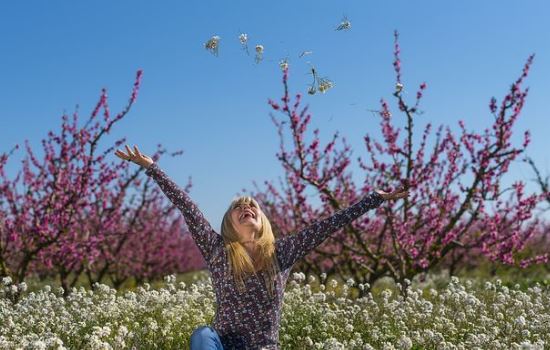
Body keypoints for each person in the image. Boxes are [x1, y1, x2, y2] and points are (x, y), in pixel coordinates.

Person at [115, 144, 408, 350]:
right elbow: (187, 208)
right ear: (229, 222)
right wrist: (153, 169)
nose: (247, 208)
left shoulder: (281, 254)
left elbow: (329, 225)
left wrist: (375, 199)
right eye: (238, 207)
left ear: (261, 218)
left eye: (252, 206)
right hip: (222, 346)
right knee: (202, 334)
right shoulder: (219, 251)